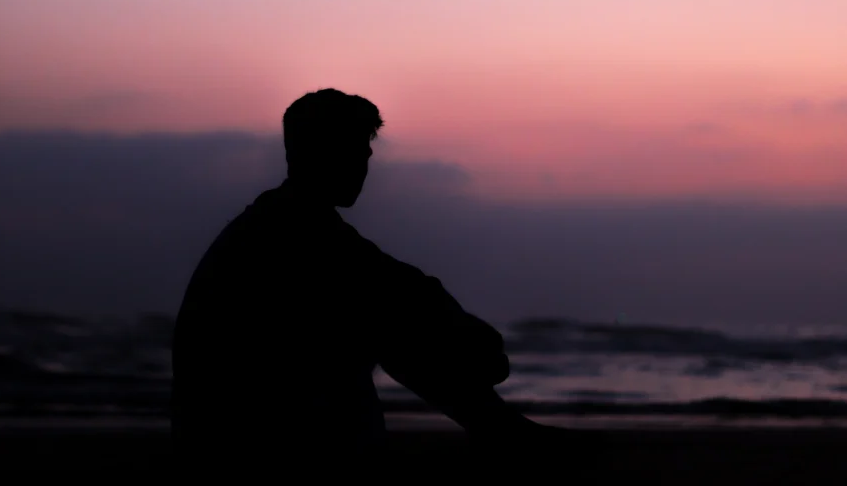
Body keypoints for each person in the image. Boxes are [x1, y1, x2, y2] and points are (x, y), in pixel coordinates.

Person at [170, 88, 600, 471]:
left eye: (364, 155)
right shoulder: (291, 233)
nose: (360, 167)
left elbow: (405, 289)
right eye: (350, 152)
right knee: (382, 321)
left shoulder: (289, 224)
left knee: (382, 320)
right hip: (259, 447)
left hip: (242, 439)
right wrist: (473, 344)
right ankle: (504, 433)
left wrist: (466, 341)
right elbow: (405, 296)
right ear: (307, 153)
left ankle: (502, 432)